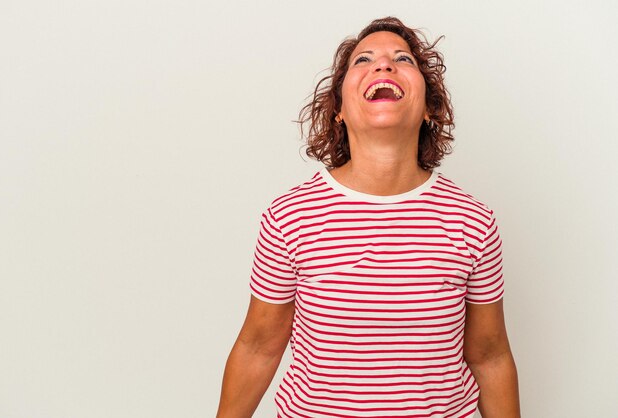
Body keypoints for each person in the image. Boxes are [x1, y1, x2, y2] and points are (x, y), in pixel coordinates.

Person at [216, 16, 520, 418]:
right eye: (363, 60)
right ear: (338, 109)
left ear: (429, 108)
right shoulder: (290, 216)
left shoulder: (472, 221)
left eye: (402, 59)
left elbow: (490, 356)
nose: (383, 65)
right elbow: (258, 346)